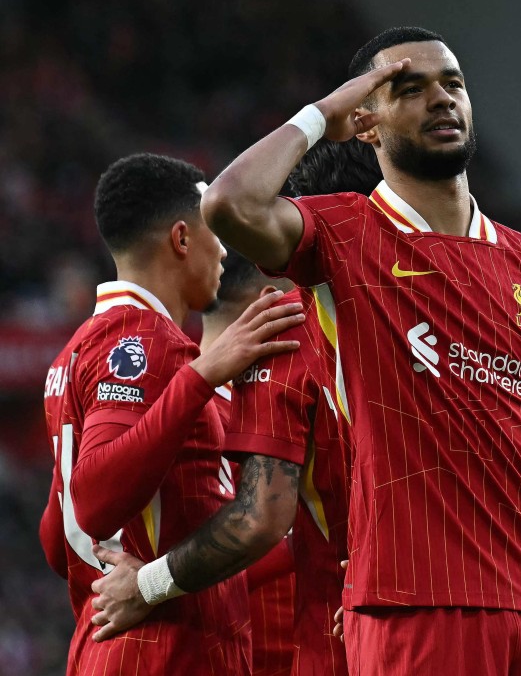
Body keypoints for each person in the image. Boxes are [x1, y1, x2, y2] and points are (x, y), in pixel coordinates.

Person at [199, 25, 521, 675]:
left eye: (453, 84)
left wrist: (487, 542)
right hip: (413, 608)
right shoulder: (343, 232)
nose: (441, 99)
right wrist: (323, 114)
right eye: (410, 89)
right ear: (369, 124)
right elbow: (230, 204)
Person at [89, 140, 383, 676]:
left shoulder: (155, 383)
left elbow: (257, 523)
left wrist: (149, 583)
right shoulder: (284, 356)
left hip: (289, 644)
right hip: (321, 640)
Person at [37, 153, 303, 675]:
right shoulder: (145, 342)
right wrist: (200, 378)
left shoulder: (73, 353)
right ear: (182, 239)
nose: (224, 250)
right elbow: (93, 501)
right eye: (214, 233)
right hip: (164, 651)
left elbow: (57, 535)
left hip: (115, 644)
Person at [201, 253, 297, 676]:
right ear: (273, 301)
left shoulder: (171, 405)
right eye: (306, 296)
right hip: (253, 658)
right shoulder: (201, 416)